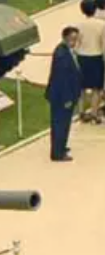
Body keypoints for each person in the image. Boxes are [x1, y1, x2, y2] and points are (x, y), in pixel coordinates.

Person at [46, 26, 83, 162]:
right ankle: (57, 153)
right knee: (60, 124)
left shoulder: (67, 51)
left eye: (76, 39)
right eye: (72, 39)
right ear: (65, 38)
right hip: (62, 96)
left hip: (66, 94)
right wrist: (67, 98)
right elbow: (61, 79)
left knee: (64, 123)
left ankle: (61, 146)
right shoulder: (62, 54)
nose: (75, 41)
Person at [76, 0, 105, 122]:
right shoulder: (102, 25)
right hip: (96, 57)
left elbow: (77, 43)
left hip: (82, 57)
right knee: (96, 88)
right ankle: (94, 113)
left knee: (81, 87)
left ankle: (81, 112)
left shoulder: (78, 25)